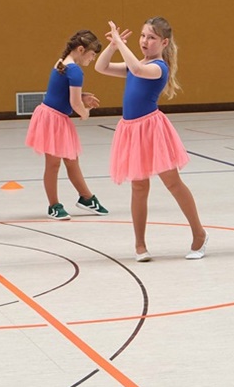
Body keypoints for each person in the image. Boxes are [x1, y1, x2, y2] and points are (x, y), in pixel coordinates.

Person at [94, 17, 208, 261]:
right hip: (131, 131)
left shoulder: (158, 67)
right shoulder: (136, 63)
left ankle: (199, 234)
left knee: (173, 183)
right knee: (138, 187)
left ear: (164, 42)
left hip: (152, 130)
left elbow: (137, 70)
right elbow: (100, 67)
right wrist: (113, 46)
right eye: (143, 35)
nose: (145, 41)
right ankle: (140, 245)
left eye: (152, 37)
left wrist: (120, 44)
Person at [25, 30, 108, 220]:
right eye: (92, 54)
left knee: (71, 160)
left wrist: (82, 96)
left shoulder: (63, 63)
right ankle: (53, 205)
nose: (93, 59)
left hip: (55, 118)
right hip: (52, 120)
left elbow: (61, 92)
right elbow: (74, 103)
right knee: (53, 164)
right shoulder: (75, 70)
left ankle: (86, 197)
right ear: (81, 50)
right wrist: (85, 112)